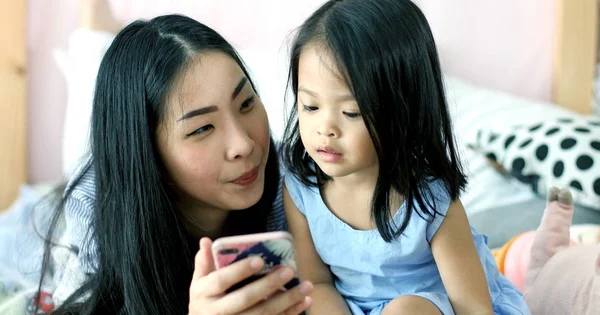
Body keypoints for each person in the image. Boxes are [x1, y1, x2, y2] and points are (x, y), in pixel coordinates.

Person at [35, 1, 313, 314]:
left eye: (246, 103)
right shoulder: (94, 208)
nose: (244, 145)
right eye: (202, 128)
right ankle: (94, 29)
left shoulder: (295, 186)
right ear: (149, 154)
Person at [281, 0, 530, 314]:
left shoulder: (429, 199)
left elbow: (472, 305)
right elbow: (317, 283)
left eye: (351, 112)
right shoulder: (301, 186)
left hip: (436, 305)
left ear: (403, 112)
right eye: (310, 107)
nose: (325, 129)